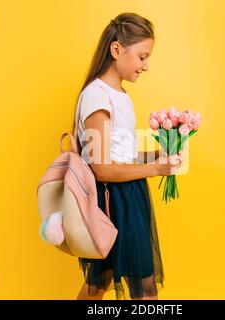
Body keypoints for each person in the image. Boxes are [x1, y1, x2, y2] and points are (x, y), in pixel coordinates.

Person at [72, 12, 184, 300]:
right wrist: (157, 169)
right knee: (143, 289)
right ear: (117, 50)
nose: (146, 66)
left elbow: (122, 154)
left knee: (101, 282)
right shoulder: (98, 96)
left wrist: (158, 154)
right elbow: (104, 169)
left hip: (127, 193)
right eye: (142, 56)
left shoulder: (119, 95)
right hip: (115, 199)